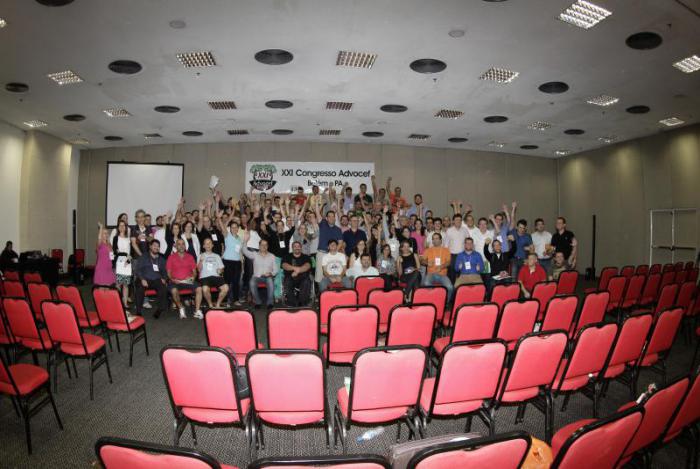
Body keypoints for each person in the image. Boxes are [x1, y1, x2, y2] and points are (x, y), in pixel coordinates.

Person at [166, 238, 204, 319]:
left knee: (199, 288)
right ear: (176, 246)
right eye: (179, 244)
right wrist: (173, 279)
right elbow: (168, 273)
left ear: (185, 246)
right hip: (175, 281)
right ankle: (181, 307)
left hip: (188, 281)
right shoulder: (171, 257)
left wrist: (193, 277)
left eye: (183, 244)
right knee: (174, 291)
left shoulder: (190, 257)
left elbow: (194, 272)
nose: (181, 246)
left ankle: (197, 311)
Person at [133, 239, 168, 318]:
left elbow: (164, 271)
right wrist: (142, 279)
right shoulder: (143, 257)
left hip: (156, 279)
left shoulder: (162, 259)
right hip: (144, 279)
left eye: (158, 246)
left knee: (163, 288)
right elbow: (138, 270)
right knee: (140, 288)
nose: (156, 247)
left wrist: (164, 278)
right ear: (150, 246)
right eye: (154, 246)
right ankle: (138, 311)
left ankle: (160, 309)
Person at [241, 233, 277, 308]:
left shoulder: (272, 256)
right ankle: (257, 302)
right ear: (259, 246)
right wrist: (245, 241)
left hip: (268, 276)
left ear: (268, 246)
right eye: (262, 245)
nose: (264, 246)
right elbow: (244, 251)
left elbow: (276, 269)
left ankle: (270, 303)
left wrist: (271, 273)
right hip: (257, 277)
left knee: (270, 281)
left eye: (265, 245)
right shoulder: (254, 254)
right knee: (252, 282)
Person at [314, 204, 342, 283]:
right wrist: (317, 202)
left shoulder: (338, 229)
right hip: (321, 253)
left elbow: (340, 242)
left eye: (333, 216)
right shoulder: (323, 224)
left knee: (331, 274)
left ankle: (329, 290)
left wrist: (334, 252)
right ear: (326, 218)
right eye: (329, 216)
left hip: (332, 254)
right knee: (319, 274)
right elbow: (317, 213)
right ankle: (319, 290)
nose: (332, 218)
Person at [421, 232, 453, 300]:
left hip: (442, 274)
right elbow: (422, 261)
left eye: (437, 238)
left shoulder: (446, 250)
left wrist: (441, 267)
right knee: (426, 283)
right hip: (431, 273)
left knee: (450, 287)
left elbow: (448, 262)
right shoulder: (428, 250)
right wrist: (427, 263)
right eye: (433, 239)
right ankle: (434, 299)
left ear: (441, 240)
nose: (435, 240)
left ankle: (446, 302)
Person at [198, 238, 229, 309]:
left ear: (212, 245)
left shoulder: (217, 256)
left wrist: (220, 270)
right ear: (203, 246)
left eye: (209, 243)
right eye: (206, 243)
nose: (208, 245)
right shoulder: (200, 256)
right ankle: (210, 305)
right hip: (205, 277)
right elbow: (199, 269)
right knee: (205, 289)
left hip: (216, 276)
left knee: (226, 287)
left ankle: (218, 305)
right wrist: (201, 261)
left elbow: (222, 268)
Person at [281, 241, 312, 306]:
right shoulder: (287, 256)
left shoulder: (306, 257)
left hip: (303, 277)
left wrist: (298, 271)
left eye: (298, 246)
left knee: (306, 281)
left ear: (301, 247)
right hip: (290, 276)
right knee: (287, 282)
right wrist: (294, 268)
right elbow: (284, 265)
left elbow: (307, 266)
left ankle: (302, 302)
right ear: (292, 248)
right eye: (295, 246)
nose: (297, 248)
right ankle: (293, 302)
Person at [221, 220, 243, 305]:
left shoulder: (239, 239)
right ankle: (226, 300)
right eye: (232, 227)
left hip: (237, 263)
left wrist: (242, 266)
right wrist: (219, 218)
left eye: (235, 227)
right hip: (227, 262)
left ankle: (236, 300)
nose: (234, 229)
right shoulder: (227, 236)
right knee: (227, 282)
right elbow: (223, 227)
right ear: (230, 229)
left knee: (236, 282)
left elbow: (240, 252)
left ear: (238, 229)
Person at [112, 220, 133, 306]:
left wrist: (128, 260)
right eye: (120, 225)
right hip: (119, 263)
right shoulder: (115, 238)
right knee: (118, 284)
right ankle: (118, 303)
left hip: (128, 263)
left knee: (126, 285)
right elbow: (116, 251)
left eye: (123, 225)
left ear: (126, 227)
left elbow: (131, 252)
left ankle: (125, 303)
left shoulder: (129, 238)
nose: (122, 227)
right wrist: (125, 255)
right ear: (118, 227)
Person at [444, 213, 470, 283]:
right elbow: (446, 245)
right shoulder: (449, 230)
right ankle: (452, 288)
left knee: (462, 273)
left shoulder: (465, 230)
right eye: (456, 220)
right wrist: (446, 257)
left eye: (460, 220)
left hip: (463, 255)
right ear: (453, 221)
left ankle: (461, 288)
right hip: (452, 256)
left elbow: (468, 242)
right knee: (452, 274)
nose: (458, 221)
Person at [93, 222, 116, 287]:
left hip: (109, 268)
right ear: (101, 234)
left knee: (108, 287)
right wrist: (101, 228)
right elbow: (99, 239)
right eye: (104, 233)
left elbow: (111, 257)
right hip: (101, 268)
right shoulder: (100, 244)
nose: (106, 234)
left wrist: (113, 256)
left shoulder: (109, 244)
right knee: (102, 288)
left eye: (107, 233)